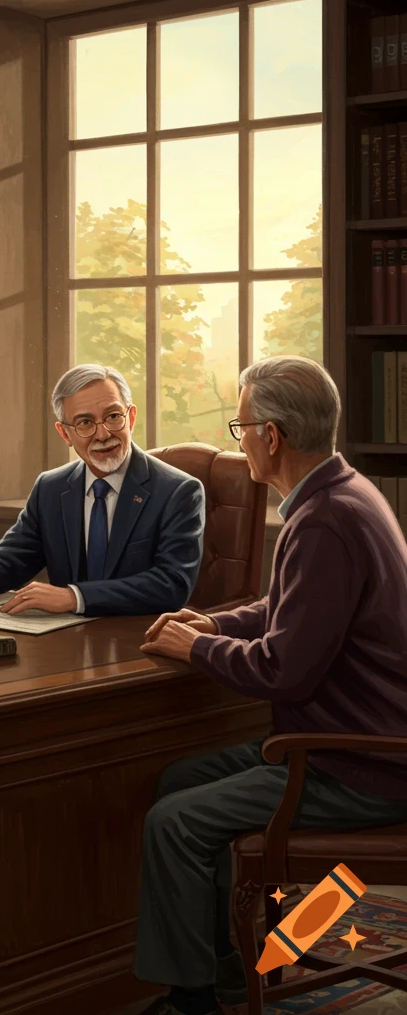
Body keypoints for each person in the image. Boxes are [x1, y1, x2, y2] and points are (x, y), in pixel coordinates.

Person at [136, 355, 407, 1015]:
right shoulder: (343, 492)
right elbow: (287, 610)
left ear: (272, 436)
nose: (241, 438)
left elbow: (283, 669)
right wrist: (213, 623)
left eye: (242, 426)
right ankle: (226, 966)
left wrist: (195, 647)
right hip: (350, 744)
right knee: (178, 780)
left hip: (353, 763)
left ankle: (191, 1001)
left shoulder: (323, 521)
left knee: (172, 822)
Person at [0, 363, 206, 616]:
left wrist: (73, 597)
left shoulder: (179, 491)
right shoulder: (50, 488)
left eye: (113, 416)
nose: (103, 433)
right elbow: (12, 558)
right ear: (65, 433)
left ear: (130, 418)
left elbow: (171, 584)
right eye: (85, 423)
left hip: (137, 638)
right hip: (63, 638)